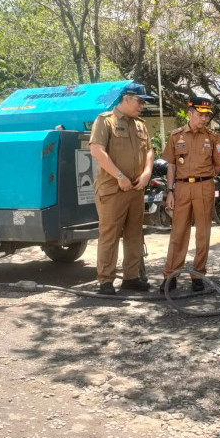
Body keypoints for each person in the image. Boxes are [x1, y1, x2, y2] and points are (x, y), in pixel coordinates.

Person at [89, 83, 154, 295]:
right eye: (140, 101)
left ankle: (131, 277)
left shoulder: (140, 125)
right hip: (113, 189)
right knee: (110, 235)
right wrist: (119, 176)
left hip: (136, 189)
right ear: (126, 98)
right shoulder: (105, 121)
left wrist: (146, 174)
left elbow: (150, 152)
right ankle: (105, 281)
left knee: (135, 235)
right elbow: (97, 150)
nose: (142, 105)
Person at [160, 97, 220, 292]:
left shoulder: (213, 137)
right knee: (178, 233)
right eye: (200, 115)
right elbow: (171, 166)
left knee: (203, 233)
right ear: (189, 114)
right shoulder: (176, 136)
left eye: (206, 115)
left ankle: (198, 274)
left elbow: (219, 164)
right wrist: (170, 191)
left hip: (204, 187)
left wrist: (205, 178)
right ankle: (170, 275)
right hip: (181, 188)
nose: (204, 119)